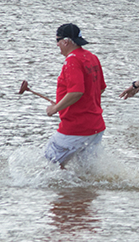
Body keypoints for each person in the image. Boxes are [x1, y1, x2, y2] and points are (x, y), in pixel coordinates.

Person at [44, 24, 106, 168]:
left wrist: (55, 109)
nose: (57, 45)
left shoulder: (72, 60)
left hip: (76, 128)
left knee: (49, 165)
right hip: (95, 127)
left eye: (57, 41)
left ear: (66, 41)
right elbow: (99, 89)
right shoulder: (92, 57)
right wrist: (63, 103)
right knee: (85, 173)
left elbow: (76, 92)